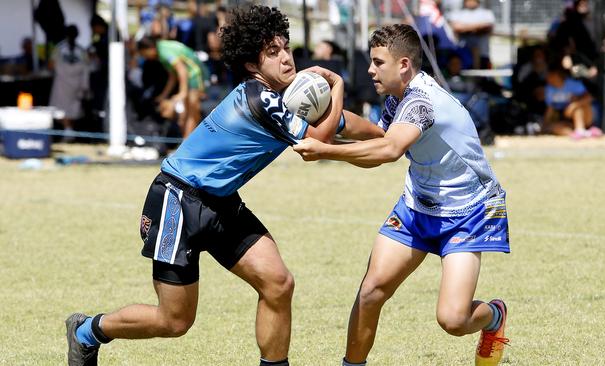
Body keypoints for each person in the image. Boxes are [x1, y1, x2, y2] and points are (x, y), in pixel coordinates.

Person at [65, 5, 383, 366]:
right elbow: (318, 142)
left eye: (286, 48)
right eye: (273, 52)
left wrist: (389, 134)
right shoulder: (257, 97)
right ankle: (86, 331)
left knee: (278, 283)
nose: (286, 58)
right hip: (177, 200)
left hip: (220, 203)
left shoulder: (285, 97)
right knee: (174, 321)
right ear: (251, 64)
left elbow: (342, 121)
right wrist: (337, 83)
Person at [293, 24, 510, 365]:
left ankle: (494, 315)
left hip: (469, 211)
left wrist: (325, 150)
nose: (370, 70)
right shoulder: (399, 98)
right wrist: (328, 106)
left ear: (404, 65)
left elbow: (389, 150)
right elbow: (378, 135)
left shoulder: (421, 102)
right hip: (418, 206)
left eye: (378, 62)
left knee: (453, 320)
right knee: (370, 292)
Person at [137, 36, 209, 138]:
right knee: (187, 112)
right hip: (189, 76)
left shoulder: (164, 51)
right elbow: (173, 76)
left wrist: (182, 92)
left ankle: (186, 143)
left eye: (144, 54)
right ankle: (186, 140)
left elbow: (182, 70)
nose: (145, 57)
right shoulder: (161, 52)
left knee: (192, 111)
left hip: (195, 75)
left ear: (150, 48)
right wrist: (164, 95)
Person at [48, 24, 89, 141]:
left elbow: (51, 65)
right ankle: (69, 130)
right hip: (77, 84)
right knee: (72, 110)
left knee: (60, 109)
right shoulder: (82, 51)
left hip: (62, 83)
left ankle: (68, 131)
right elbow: (87, 67)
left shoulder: (59, 48)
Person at [543, 65, 602, 139]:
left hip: (584, 115)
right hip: (566, 119)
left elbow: (589, 98)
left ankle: (580, 129)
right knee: (554, 128)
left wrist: (573, 106)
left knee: (578, 109)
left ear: (556, 74)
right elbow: (550, 108)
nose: (547, 78)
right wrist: (545, 124)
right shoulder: (549, 89)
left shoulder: (574, 84)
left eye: (549, 75)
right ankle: (584, 133)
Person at [447, 0, 495, 69]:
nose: (470, 2)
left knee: (482, 77)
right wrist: (477, 27)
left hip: (483, 54)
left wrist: (465, 28)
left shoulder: (486, 13)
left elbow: (487, 27)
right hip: (463, 55)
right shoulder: (458, 13)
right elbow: (456, 28)